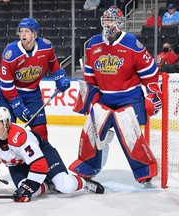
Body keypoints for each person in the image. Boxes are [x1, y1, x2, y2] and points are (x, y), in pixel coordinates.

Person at [69, 6, 162, 188]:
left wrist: (153, 94)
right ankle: (88, 166)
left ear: (119, 22)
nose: (107, 24)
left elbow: (150, 74)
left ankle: (145, 170)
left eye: (111, 20)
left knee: (128, 133)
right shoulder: (94, 44)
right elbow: (90, 77)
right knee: (91, 130)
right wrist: (87, 95)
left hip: (129, 98)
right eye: (105, 21)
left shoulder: (131, 43)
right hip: (105, 97)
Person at [0, 107, 104, 201]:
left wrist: (29, 185)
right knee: (25, 190)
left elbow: (39, 164)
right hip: (18, 164)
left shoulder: (20, 137)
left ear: (7, 124)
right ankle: (48, 185)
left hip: (43, 155)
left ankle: (83, 181)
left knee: (65, 186)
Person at [0, 17, 70, 142]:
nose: (23, 34)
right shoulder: (10, 53)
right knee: (4, 132)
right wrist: (15, 102)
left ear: (35, 34)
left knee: (41, 132)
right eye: (21, 31)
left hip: (33, 93)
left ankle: (41, 160)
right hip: (9, 94)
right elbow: (5, 84)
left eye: (27, 31)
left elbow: (53, 63)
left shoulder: (46, 47)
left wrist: (60, 76)